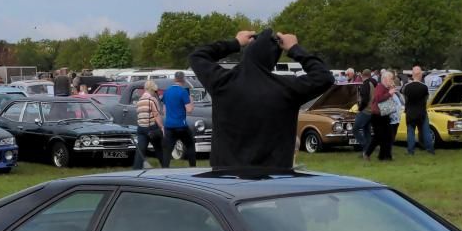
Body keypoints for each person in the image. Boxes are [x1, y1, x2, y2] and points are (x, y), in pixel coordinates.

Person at [188, 28, 335, 177]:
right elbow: (324, 77)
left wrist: (235, 43)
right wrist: (294, 48)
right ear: (271, 61)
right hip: (274, 177)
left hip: (226, 177)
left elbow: (197, 56)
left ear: (248, 54)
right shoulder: (286, 89)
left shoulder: (223, 82)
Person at [160, 72, 195, 165]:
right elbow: (189, 110)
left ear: (174, 79)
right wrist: (191, 99)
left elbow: (164, 110)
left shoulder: (167, 92)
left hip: (169, 125)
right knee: (190, 145)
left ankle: (164, 169)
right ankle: (193, 167)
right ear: (183, 80)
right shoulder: (183, 92)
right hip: (181, 125)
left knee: (167, 150)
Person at [401, 66, 436, 155]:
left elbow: (405, 98)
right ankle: (430, 149)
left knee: (411, 132)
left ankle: (410, 151)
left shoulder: (406, 87)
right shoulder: (424, 87)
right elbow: (426, 98)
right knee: (426, 131)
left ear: (412, 75)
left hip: (410, 112)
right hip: (422, 112)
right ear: (420, 75)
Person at [131, 81, 166, 168]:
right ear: (152, 90)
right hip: (151, 127)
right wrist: (161, 127)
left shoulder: (140, 101)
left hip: (141, 128)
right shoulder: (152, 99)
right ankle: (165, 167)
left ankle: (136, 169)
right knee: (159, 149)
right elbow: (156, 115)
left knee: (140, 151)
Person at [368, 69, 400, 161]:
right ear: (385, 79)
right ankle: (367, 153)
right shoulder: (380, 87)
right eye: (391, 79)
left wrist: (391, 91)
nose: (392, 80)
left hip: (385, 115)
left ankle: (385, 156)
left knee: (388, 136)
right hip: (377, 116)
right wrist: (389, 94)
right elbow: (378, 99)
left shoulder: (386, 88)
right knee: (378, 137)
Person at [354, 72, 376, 158]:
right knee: (367, 131)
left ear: (362, 76)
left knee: (355, 129)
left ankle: (365, 145)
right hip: (372, 111)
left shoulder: (366, 84)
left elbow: (365, 99)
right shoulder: (373, 84)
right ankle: (366, 153)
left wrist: (360, 109)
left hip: (365, 111)